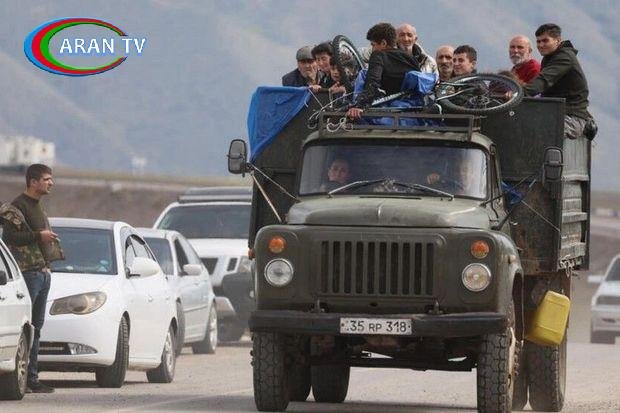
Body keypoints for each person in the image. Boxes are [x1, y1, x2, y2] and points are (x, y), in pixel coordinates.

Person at [1, 164, 63, 393]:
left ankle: (32, 378)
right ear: (33, 182)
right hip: (28, 273)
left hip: (42, 273)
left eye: (51, 179)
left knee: (36, 329)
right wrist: (39, 235)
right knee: (27, 329)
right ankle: (25, 379)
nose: (51, 183)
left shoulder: (38, 205)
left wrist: (47, 267)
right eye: (46, 179)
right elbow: (11, 237)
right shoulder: (18, 206)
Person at [523, 23, 591, 139]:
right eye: (538, 41)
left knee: (538, 132)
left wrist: (519, 93)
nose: (541, 45)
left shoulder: (564, 57)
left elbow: (543, 80)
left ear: (557, 40)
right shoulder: (550, 58)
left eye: (545, 41)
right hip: (554, 112)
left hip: (571, 117)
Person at [346, 22, 420, 120]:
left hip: (389, 109)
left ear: (383, 43)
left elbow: (373, 82)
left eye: (373, 45)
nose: (373, 49)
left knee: (363, 73)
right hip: (412, 109)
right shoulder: (411, 58)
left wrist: (359, 106)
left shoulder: (378, 55)